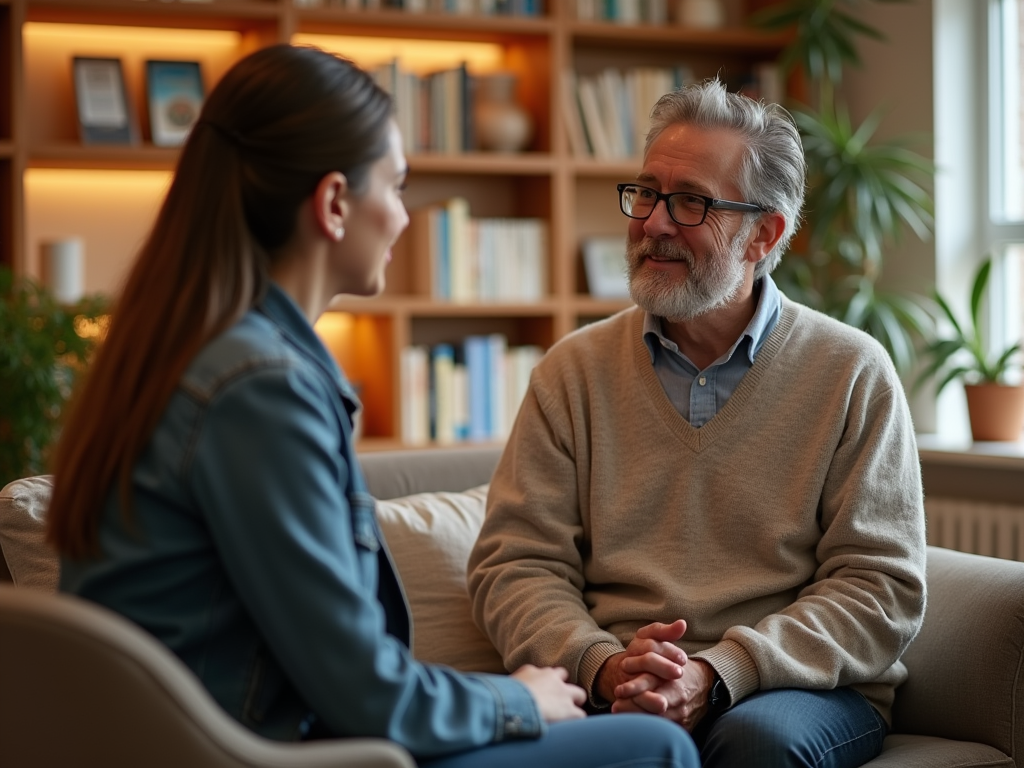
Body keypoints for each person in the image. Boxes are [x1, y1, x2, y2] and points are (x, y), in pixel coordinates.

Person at [43, 45, 699, 768]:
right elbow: (361, 692)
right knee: (654, 748)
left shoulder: (182, 347)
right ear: (331, 204)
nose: (404, 218)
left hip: (207, 739)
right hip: (264, 754)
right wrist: (517, 700)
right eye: (396, 186)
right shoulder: (258, 388)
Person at [468, 78, 927, 768]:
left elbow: (880, 586)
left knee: (754, 744)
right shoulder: (571, 373)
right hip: (613, 680)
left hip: (788, 686)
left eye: (689, 203)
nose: (652, 222)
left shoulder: (851, 371)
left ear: (762, 234)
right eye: (647, 193)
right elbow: (515, 565)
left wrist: (717, 674)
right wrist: (603, 665)